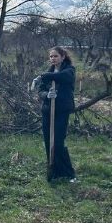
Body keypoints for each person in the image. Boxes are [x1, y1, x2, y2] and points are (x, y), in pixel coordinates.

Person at [32, 47, 77, 183]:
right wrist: (47, 95)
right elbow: (40, 91)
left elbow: (64, 78)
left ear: (63, 57)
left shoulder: (69, 70)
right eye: (51, 56)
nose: (52, 59)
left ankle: (69, 174)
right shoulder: (49, 71)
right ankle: (54, 170)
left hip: (62, 111)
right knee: (48, 142)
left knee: (58, 142)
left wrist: (42, 76)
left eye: (55, 56)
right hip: (47, 111)